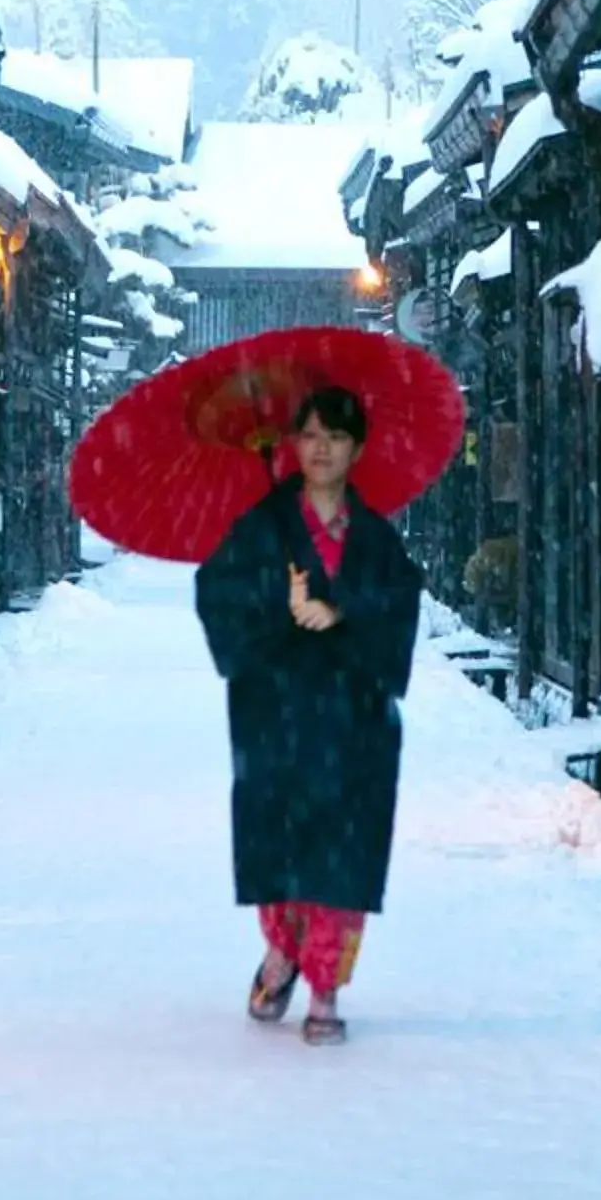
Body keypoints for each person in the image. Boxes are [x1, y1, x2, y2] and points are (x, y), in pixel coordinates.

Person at [192, 385, 423, 1046]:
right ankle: (284, 947)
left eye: (337, 437)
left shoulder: (375, 537)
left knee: (346, 847)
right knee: (282, 839)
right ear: (294, 444)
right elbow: (217, 588)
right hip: (278, 707)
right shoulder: (263, 526)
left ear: (356, 449)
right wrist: (277, 604)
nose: (322, 449)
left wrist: (341, 607)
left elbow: (397, 601)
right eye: (311, 435)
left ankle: (325, 985)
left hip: (354, 713)